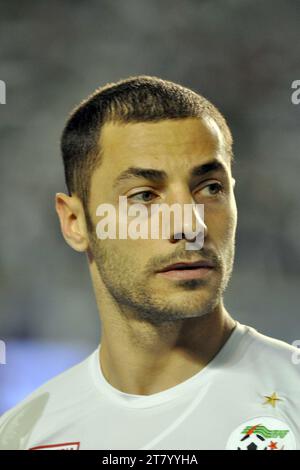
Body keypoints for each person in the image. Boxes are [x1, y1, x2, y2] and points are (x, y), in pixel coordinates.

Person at [0, 75, 299, 450]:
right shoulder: (23, 435)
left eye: (211, 188)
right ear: (75, 223)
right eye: (144, 196)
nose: (191, 225)